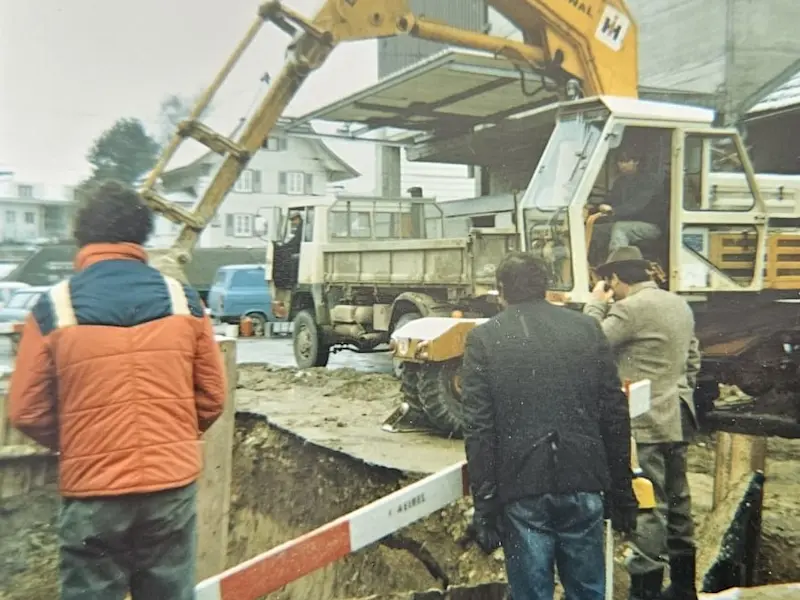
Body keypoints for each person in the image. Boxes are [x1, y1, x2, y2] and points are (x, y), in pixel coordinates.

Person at [8, 179, 227, 600]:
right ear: (141, 234)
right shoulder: (183, 301)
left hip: (93, 493)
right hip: (169, 487)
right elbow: (212, 396)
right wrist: (172, 434)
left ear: (81, 235)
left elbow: (26, 411)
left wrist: (83, 439)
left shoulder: (55, 307)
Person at [461, 252, 638, 600]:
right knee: (588, 592)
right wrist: (622, 490)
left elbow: (479, 430)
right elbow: (614, 414)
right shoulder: (585, 328)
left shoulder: (484, 339)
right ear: (545, 287)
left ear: (501, 290)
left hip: (522, 488)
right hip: (583, 480)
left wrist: (484, 508)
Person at [583, 246, 700, 600]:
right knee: (679, 502)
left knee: (648, 504)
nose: (610, 288)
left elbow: (588, 343)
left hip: (645, 418)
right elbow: (693, 356)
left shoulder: (628, 308)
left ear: (617, 278)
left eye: (610, 282)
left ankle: (645, 590)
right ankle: (682, 586)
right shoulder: (678, 303)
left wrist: (594, 304)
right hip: (679, 413)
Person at [600, 146, 667, 254]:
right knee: (596, 231)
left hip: (651, 226)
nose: (622, 165)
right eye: (620, 161)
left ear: (636, 162)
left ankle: (619, 264)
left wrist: (613, 210)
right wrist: (596, 207)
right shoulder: (620, 182)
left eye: (626, 161)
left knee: (619, 228)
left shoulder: (649, 181)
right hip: (628, 223)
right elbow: (609, 199)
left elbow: (636, 205)